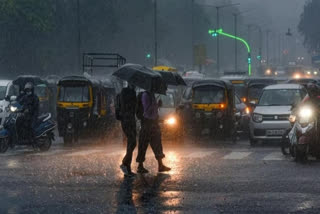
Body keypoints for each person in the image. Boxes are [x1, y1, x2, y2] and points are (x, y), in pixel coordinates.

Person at [136, 90, 171, 173]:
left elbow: (153, 111)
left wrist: (157, 105)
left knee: (157, 144)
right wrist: (155, 105)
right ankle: (140, 166)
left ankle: (160, 165)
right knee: (143, 145)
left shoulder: (151, 95)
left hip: (154, 123)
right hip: (147, 123)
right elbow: (146, 111)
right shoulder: (145, 95)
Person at [119, 84, 137, 177]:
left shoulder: (133, 92)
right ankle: (124, 163)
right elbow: (126, 106)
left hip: (131, 120)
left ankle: (127, 167)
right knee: (132, 142)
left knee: (131, 143)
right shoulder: (125, 92)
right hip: (126, 120)